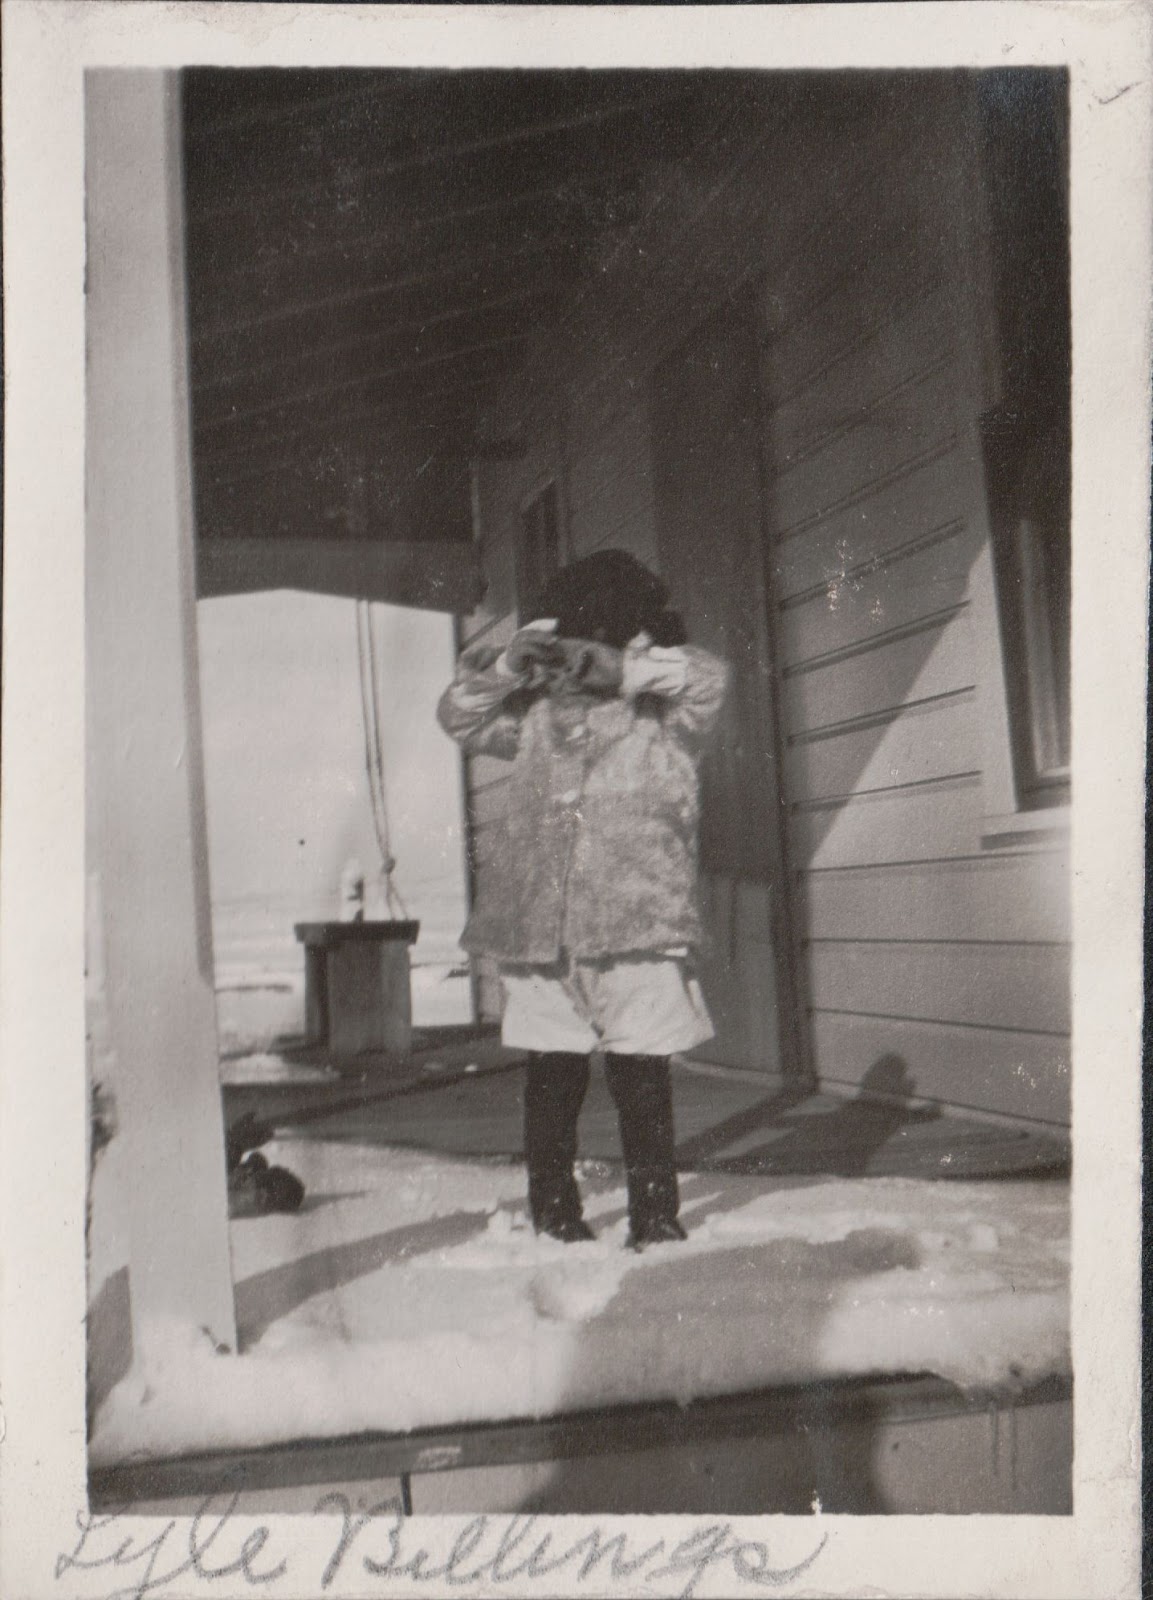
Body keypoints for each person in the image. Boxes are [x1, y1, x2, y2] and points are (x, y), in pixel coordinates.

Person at [437, 549, 729, 1249]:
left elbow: (707, 677)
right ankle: (554, 1214)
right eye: (572, 639)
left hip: (637, 919)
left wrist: (622, 671)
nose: (581, 657)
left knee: (640, 1074)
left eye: (602, 640)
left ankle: (654, 1216)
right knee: (552, 1074)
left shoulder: (667, 706)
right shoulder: (534, 712)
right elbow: (459, 716)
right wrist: (509, 667)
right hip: (541, 928)